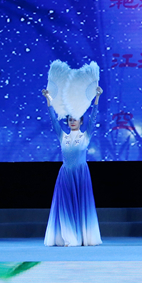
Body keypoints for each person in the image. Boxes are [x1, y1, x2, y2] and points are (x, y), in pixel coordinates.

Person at [41, 86, 103, 246]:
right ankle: (68, 237)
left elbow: (94, 117)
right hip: (66, 174)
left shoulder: (85, 136)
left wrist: (97, 97)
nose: (72, 121)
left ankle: (82, 236)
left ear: (81, 121)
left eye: (75, 119)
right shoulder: (63, 136)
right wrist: (48, 100)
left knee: (81, 205)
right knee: (66, 206)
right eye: (70, 119)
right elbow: (53, 119)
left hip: (81, 174)